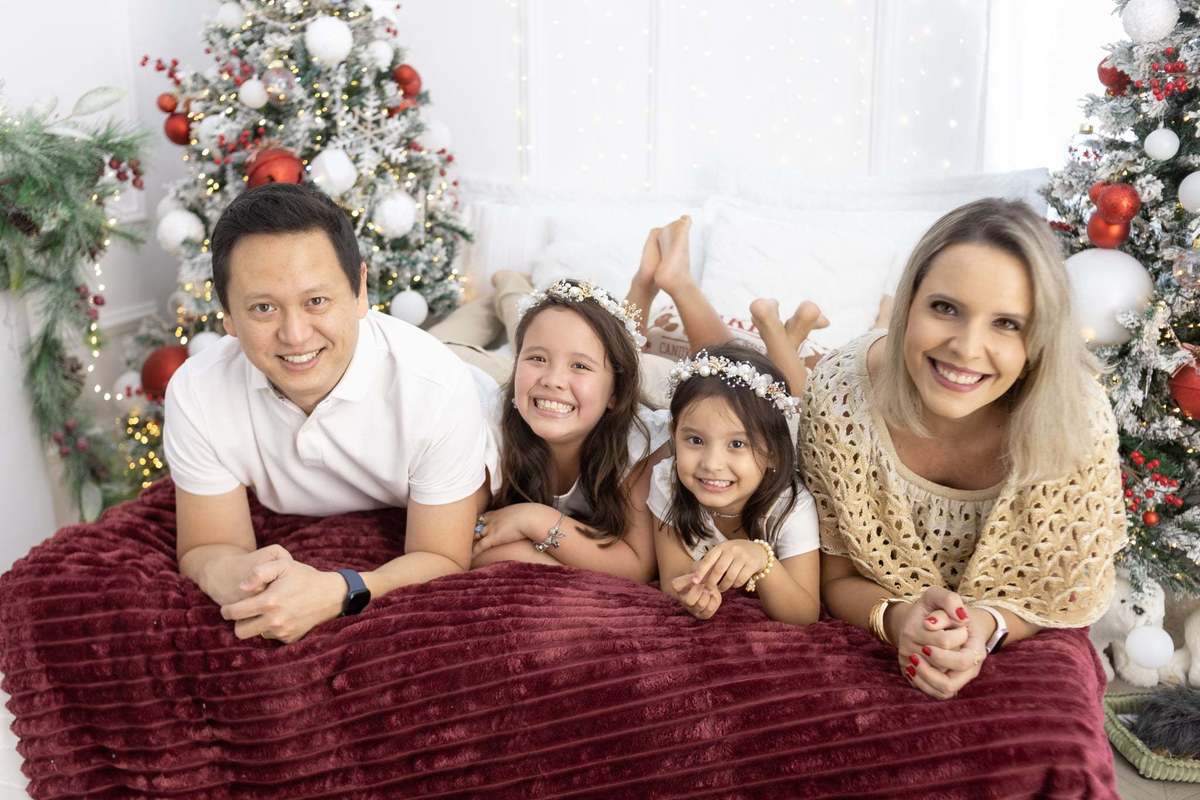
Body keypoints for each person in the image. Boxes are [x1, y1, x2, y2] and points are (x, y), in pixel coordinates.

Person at [797, 198, 1126, 699]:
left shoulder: (1077, 419)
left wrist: (985, 626)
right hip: (878, 625)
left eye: (1007, 323)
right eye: (945, 308)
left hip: (1015, 632)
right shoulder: (841, 399)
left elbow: (1056, 591)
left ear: (1038, 338)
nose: (967, 349)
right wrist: (901, 618)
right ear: (909, 303)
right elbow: (835, 574)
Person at [163, 183, 489, 643]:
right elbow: (206, 548)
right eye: (263, 308)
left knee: (507, 347)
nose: (294, 335)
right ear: (228, 318)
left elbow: (445, 559)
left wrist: (342, 589)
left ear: (360, 291)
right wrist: (245, 577)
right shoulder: (197, 391)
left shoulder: (437, 386)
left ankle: (505, 296)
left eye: (316, 301)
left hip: (489, 395)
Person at [447, 217, 733, 581]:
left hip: (643, 379)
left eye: (580, 366)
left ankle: (669, 281)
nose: (553, 380)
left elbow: (635, 565)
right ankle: (509, 285)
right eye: (535, 358)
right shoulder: (488, 416)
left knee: (720, 384)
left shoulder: (644, 439)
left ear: (616, 394)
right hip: (507, 376)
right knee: (477, 341)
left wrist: (532, 519)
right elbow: (462, 545)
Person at [651, 339, 823, 625]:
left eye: (737, 443)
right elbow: (673, 579)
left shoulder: (791, 506)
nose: (712, 463)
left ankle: (789, 333)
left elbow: (804, 614)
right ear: (674, 434)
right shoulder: (667, 482)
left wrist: (762, 559)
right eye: (695, 440)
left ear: (773, 453)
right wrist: (695, 593)